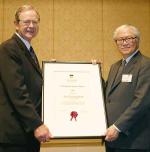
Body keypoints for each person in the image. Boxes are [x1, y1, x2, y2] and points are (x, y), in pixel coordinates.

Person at [0, 5, 52, 152]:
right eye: (26, 22)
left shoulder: (27, 50)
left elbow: (32, 84)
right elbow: (18, 93)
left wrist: (53, 73)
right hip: (15, 136)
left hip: (26, 134)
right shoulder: (9, 48)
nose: (31, 26)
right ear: (16, 24)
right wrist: (36, 124)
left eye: (35, 22)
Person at [105, 24, 150, 152]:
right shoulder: (115, 66)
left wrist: (118, 127)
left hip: (134, 140)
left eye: (129, 38)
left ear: (137, 40)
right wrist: (94, 73)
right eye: (120, 39)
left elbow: (142, 101)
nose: (124, 43)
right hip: (112, 139)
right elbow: (108, 95)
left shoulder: (145, 65)